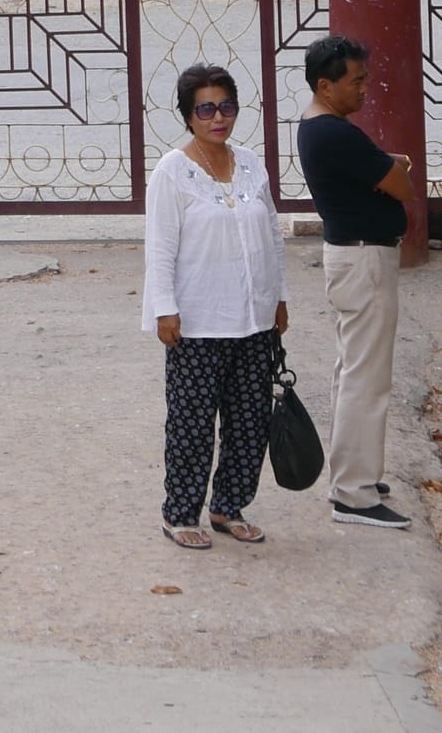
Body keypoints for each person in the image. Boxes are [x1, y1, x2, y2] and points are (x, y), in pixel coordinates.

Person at [143, 61, 288, 549]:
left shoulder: (250, 163)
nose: (218, 117)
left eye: (226, 106)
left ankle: (229, 507)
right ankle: (181, 514)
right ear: (188, 115)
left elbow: (272, 234)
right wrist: (164, 308)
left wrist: (279, 298)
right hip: (198, 322)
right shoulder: (173, 171)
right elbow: (160, 247)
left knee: (250, 421)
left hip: (253, 319)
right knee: (192, 424)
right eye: (205, 109)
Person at [297, 32, 417, 530]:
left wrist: (388, 166)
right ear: (326, 86)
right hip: (364, 260)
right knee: (367, 378)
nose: (365, 89)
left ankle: (353, 474)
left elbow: (385, 170)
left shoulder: (320, 127)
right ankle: (353, 493)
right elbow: (402, 184)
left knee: (353, 370)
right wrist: (393, 168)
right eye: (356, 81)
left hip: (353, 258)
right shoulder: (336, 134)